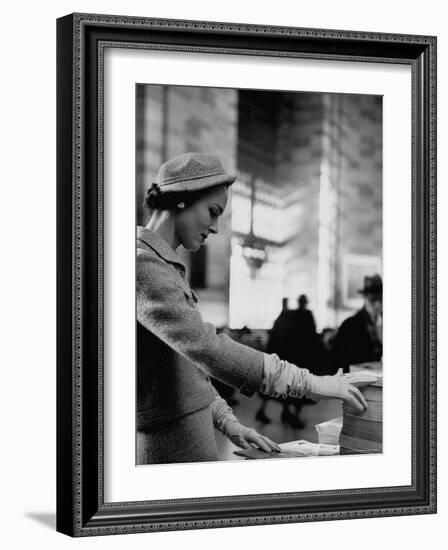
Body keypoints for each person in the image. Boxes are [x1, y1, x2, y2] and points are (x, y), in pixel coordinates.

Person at [136, 152, 368, 464]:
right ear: (182, 199)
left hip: (191, 435)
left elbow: (185, 367)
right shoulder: (142, 264)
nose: (216, 227)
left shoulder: (163, 264)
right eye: (213, 212)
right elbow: (208, 349)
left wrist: (229, 423)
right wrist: (312, 384)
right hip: (168, 448)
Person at [332, 274, 383, 373]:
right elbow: (339, 363)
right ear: (365, 298)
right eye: (373, 300)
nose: (377, 305)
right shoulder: (350, 325)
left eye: (381, 299)